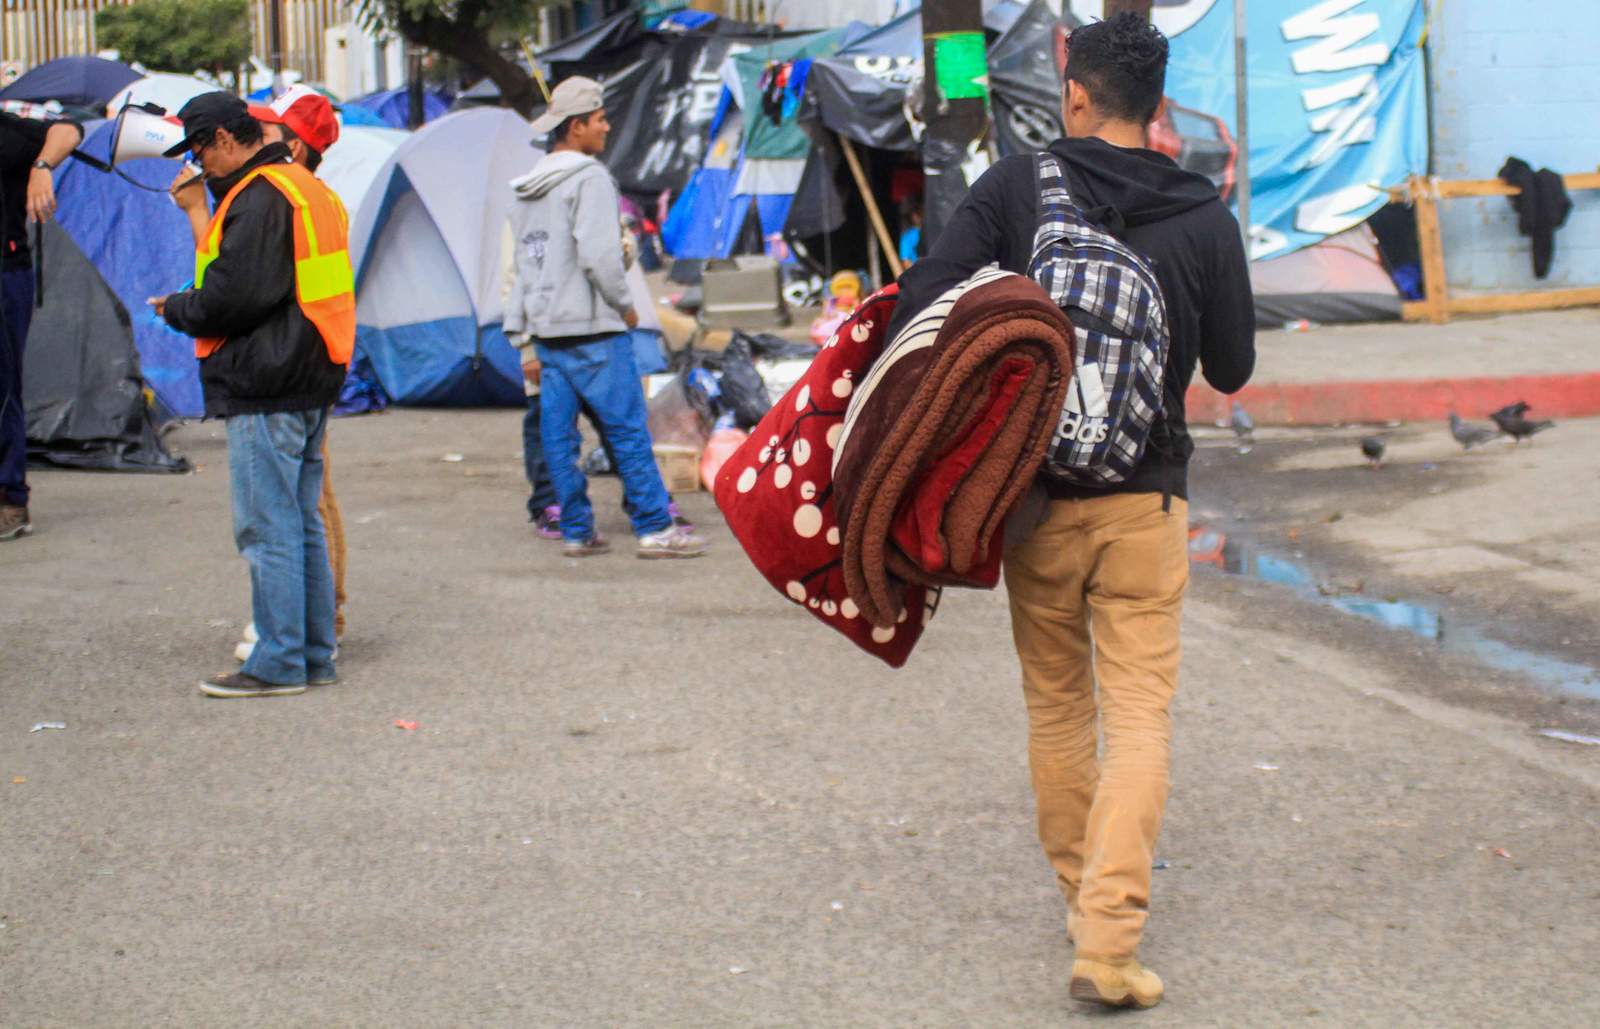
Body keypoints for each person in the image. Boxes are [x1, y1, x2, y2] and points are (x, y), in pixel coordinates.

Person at [886, 14, 1254, 1009]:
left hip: (1036, 504)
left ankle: (1079, 899)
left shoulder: (1016, 189)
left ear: (1075, 97)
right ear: (1159, 107)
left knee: (1057, 707)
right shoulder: (1204, 215)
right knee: (1137, 716)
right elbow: (1231, 368)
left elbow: (924, 299)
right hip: (1147, 501)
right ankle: (1108, 940)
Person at [150, 92, 354, 698]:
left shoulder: (259, 197)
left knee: (268, 527)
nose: (199, 164)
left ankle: (279, 660)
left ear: (221, 138)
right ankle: (312, 652)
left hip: (267, 377)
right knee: (301, 521)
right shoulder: (305, 188)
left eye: (198, 150)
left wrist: (178, 308)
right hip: (313, 369)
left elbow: (233, 297)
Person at [505, 76, 705, 559]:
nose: (607, 127)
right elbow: (598, 256)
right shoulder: (588, 178)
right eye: (599, 119)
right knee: (628, 431)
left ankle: (577, 530)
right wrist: (626, 305)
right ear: (575, 127)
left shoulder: (527, 187)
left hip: (548, 331)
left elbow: (523, 265)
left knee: (559, 438)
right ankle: (656, 527)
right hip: (594, 329)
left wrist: (522, 335)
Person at [0, 104, 82, 541]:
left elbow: (70, 128)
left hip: (5, 272)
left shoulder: (9, 133)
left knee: (2, 389)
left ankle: (10, 498)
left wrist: (41, 167)